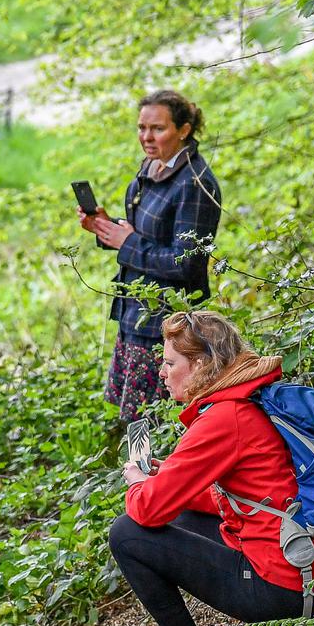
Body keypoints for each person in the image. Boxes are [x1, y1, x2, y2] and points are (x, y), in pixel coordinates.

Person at [107, 310, 314, 626]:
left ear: (200, 364)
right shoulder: (246, 397)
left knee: (128, 533)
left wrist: (137, 481)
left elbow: (146, 509)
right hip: (310, 569)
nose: (163, 374)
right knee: (177, 515)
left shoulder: (223, 417)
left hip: (286, 585)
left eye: (170, 363)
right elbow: (243, 496)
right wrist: (170, 479)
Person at [79, 90, 222, 421]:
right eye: (142, 128)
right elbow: (144, 236)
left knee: (155, 422)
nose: (146, 136)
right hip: (135, 314)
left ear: (184, 130)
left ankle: (155, 475)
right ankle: (136, 474)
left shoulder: (195, 183)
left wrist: (127, 243)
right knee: (135, 420)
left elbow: (187, 263)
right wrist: (106, 229)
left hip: (165, 325)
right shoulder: (151, 168)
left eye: (157, 128)